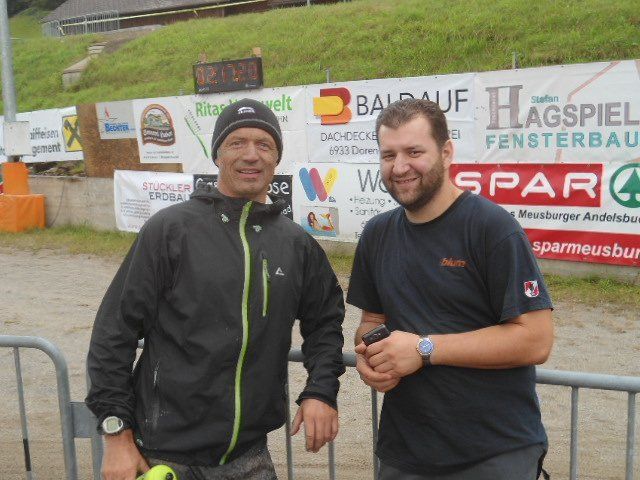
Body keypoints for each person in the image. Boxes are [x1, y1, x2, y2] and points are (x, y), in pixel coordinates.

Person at [86, 99, 345, 480]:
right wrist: (116, 432)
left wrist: (320, 391)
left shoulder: (296, 244)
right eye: (237, 142)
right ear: (217, 154)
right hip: (161, 454)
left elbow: (325, 322)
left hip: (249, 456)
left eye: (264, 144)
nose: (251, 155)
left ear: (276, 158)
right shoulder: (170, 230)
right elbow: (114, 331)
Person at [347, 99, 554, 480]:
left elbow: (535, 340)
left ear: (446, 153)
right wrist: (370, 357)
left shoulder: (492, 228)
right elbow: (371, 321)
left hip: (492, 452)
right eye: (388, 155)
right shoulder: (376, 233)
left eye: (414, 152)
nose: (400, 167)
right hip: (405, 450)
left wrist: (424, 349)